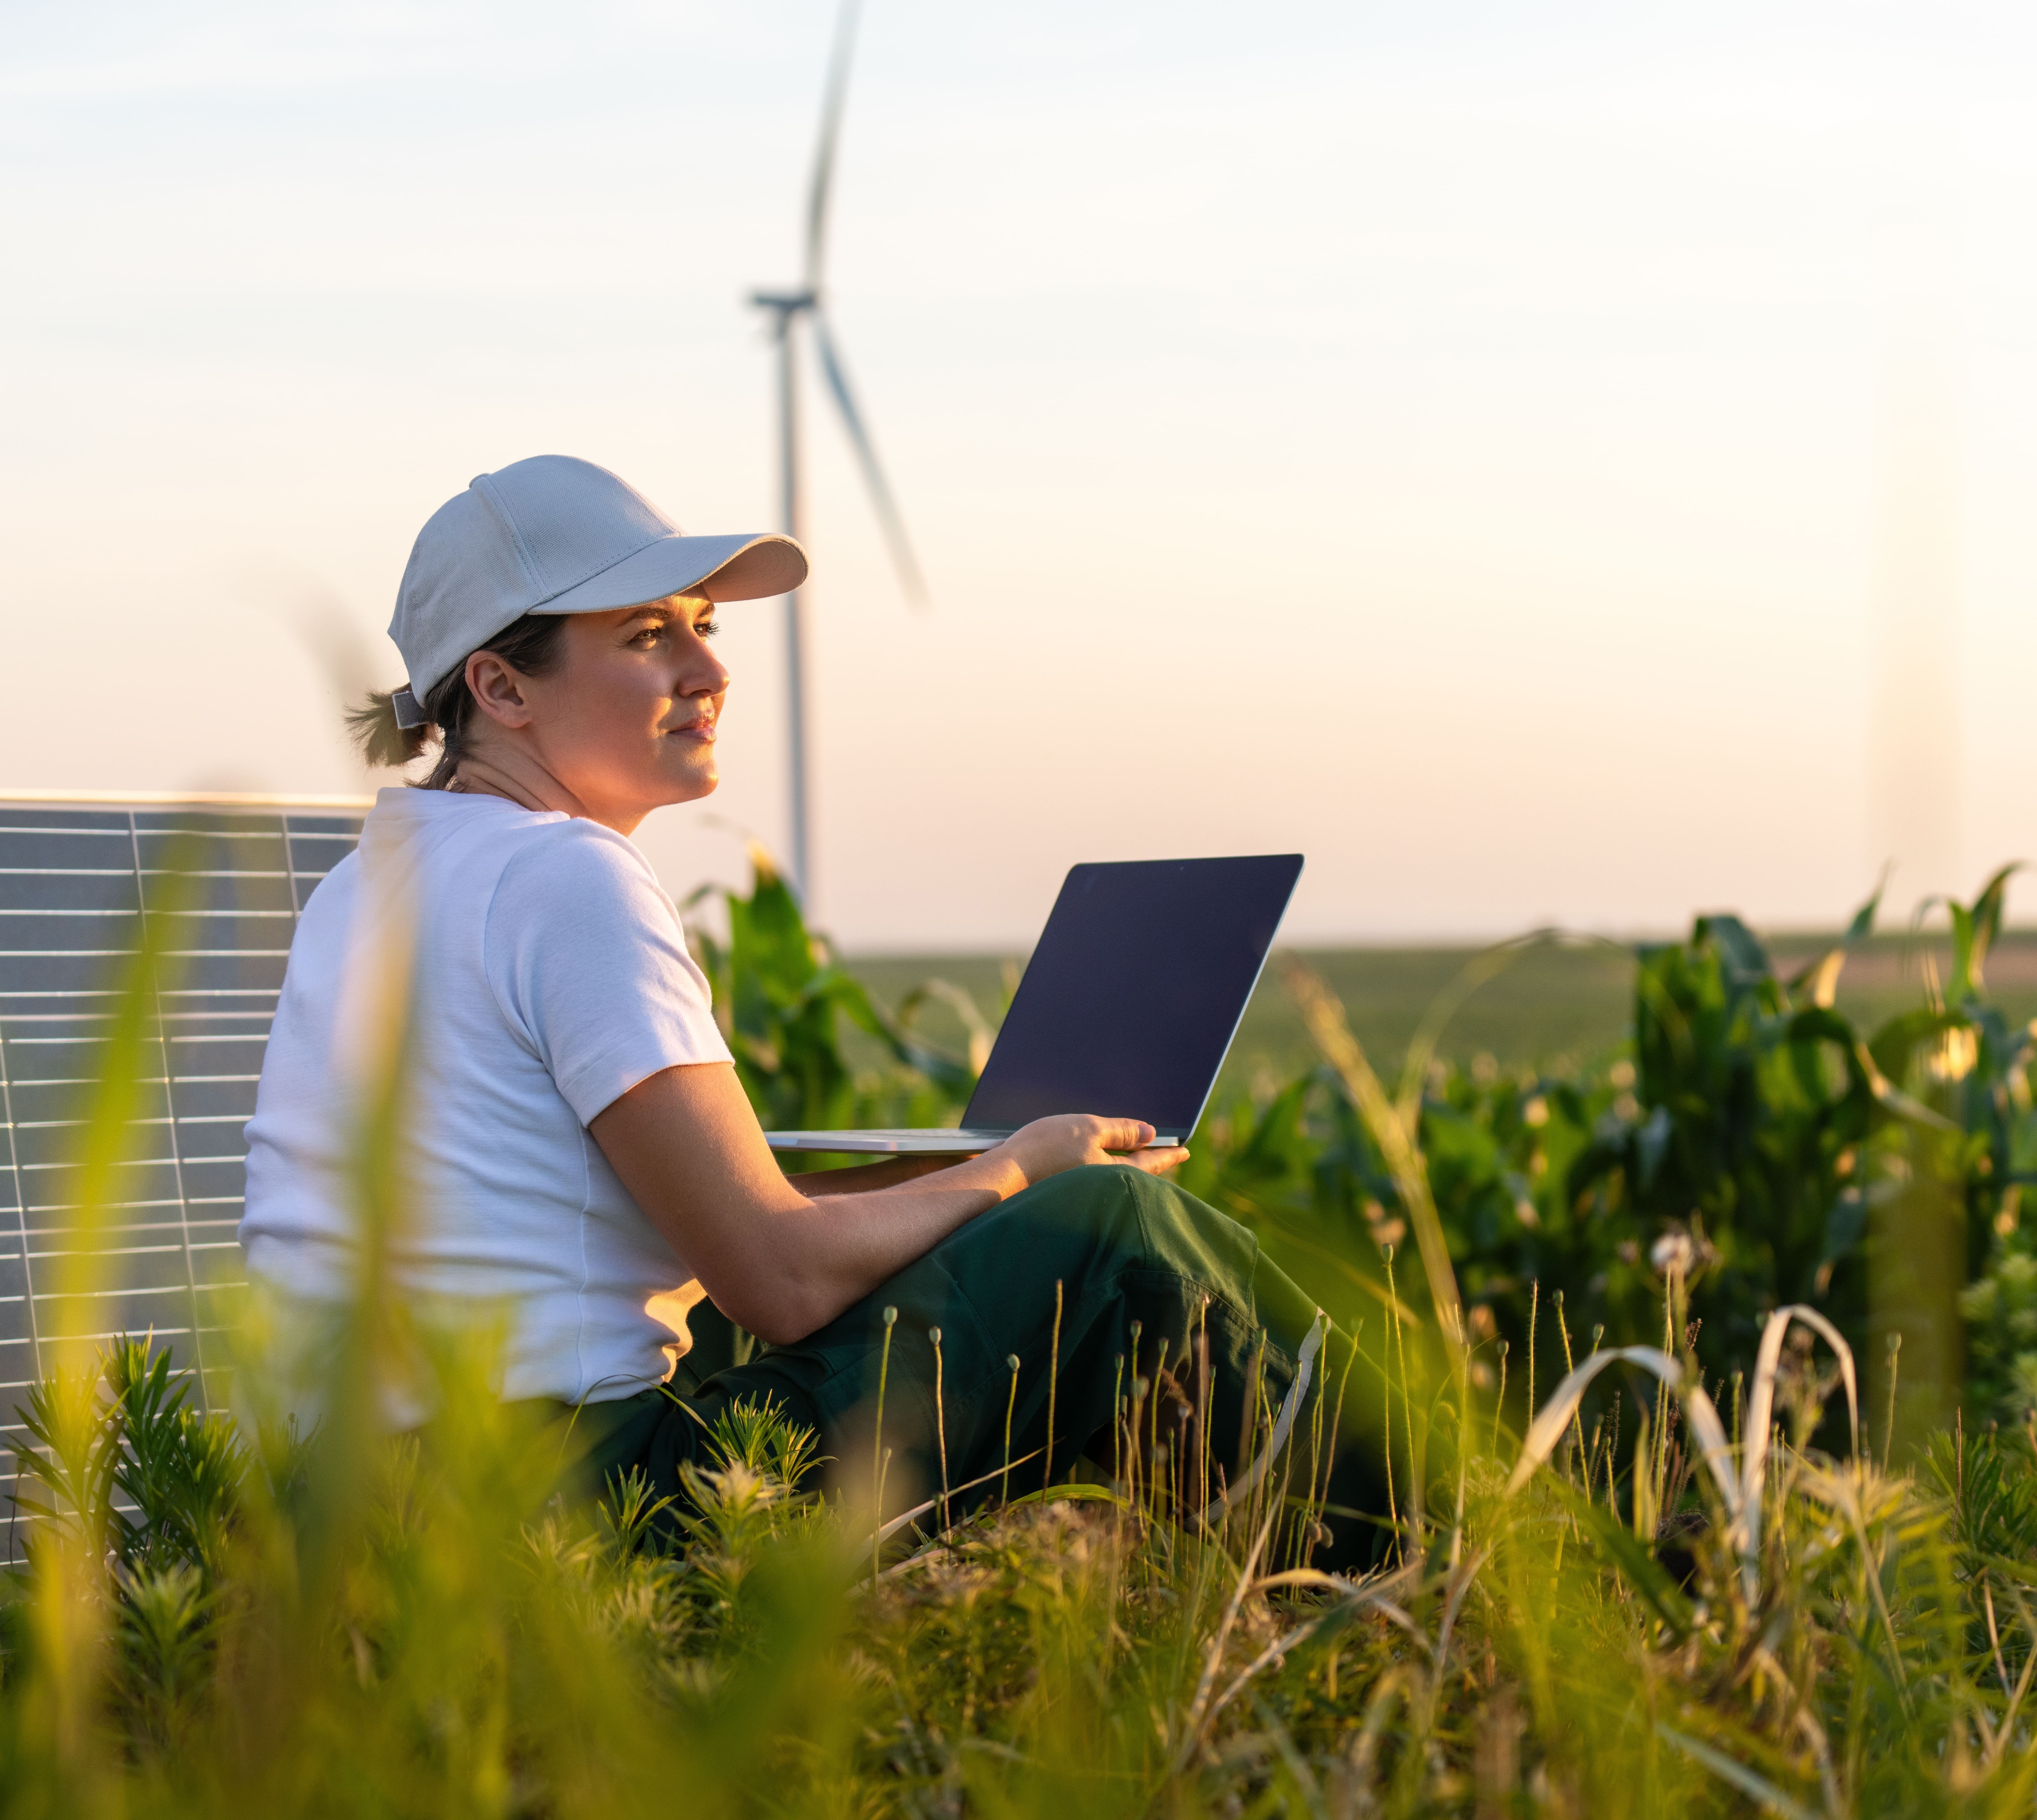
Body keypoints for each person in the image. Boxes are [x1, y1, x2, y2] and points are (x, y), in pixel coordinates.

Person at [238, 454, 1322, 1526]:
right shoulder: (564, 876)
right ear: (502, 688)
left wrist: (980, 1180)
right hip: (560, 1506)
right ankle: (1387, 1555)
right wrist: (1023, 1172)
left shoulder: (366, 886)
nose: (709, 672)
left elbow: (691, 1226)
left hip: (344, 1510)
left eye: (704, 626)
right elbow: (777, 1281)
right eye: (648, 635)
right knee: (1112, 1231)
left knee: (1035, 1222)